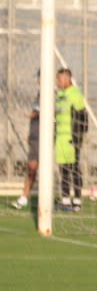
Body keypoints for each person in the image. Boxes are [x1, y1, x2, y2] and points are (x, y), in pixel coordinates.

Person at [55, 68, 87, 212]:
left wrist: (77, 138)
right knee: (63, 170)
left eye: (59, 79)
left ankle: (78, 201)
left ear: (68, 79)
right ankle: (66, 200)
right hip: (60, 138)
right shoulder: (60, 95)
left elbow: (83, 118)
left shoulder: (75, 94)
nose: (57, 82)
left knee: (74, 169)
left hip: (70, 139)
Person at [11, 73, 40, 210]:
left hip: (43, 139)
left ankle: (69, 199)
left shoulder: (51, 94)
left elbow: (46, 112)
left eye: (39, 77)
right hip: (35, 138)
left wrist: (32, 115)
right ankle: (24, 197)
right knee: (31, 168)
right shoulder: (40, 94)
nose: (37, 80)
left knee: (33, 168)